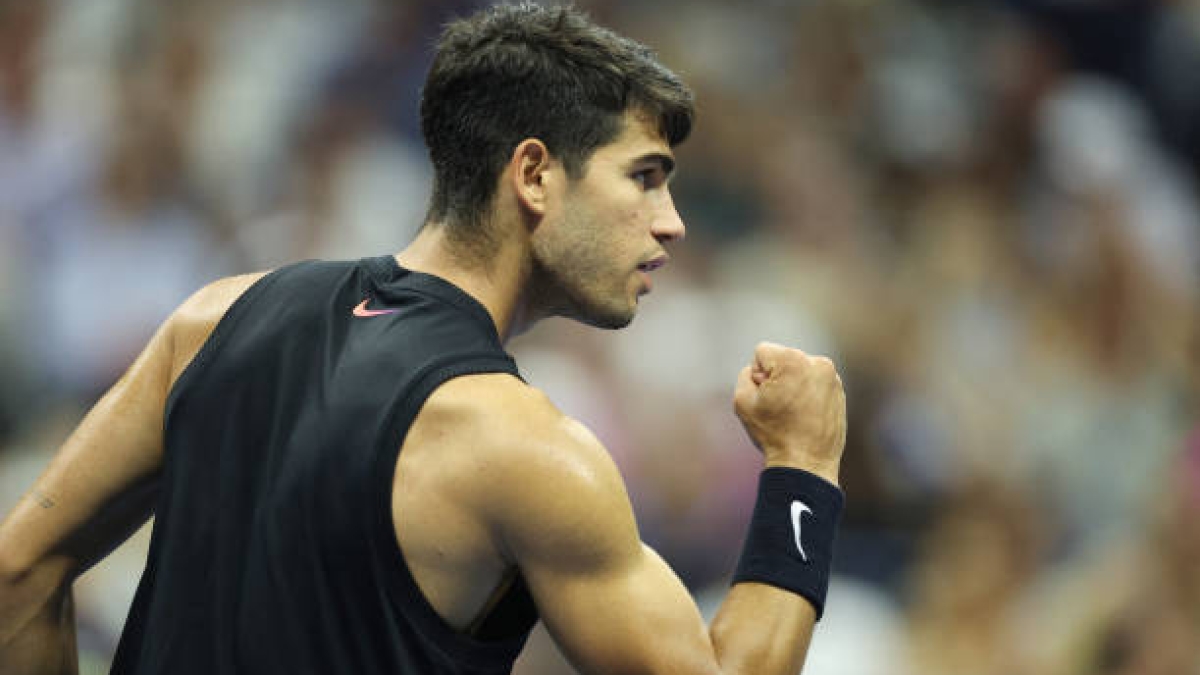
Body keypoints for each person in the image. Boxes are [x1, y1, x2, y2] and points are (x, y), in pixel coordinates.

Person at [0, 4, 847, 674]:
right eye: (644, 178)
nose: (671, 224)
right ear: (534, 174)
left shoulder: (213, 318)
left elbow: (19, 572)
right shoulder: (524, 446)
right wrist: (803, 469)